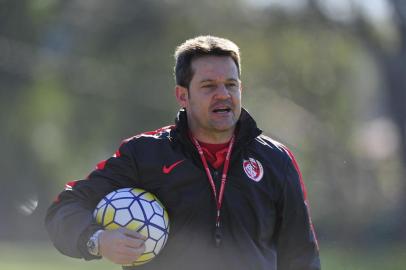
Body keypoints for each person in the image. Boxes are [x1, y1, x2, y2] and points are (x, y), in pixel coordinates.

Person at [45, 35, 321, 270]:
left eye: (231, 84)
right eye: (209, 86)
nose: (223, 94)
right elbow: (64, 208)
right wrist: (99, 241)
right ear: (182, 95)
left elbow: (301, 257)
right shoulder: (144, 154)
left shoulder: (276, 160)